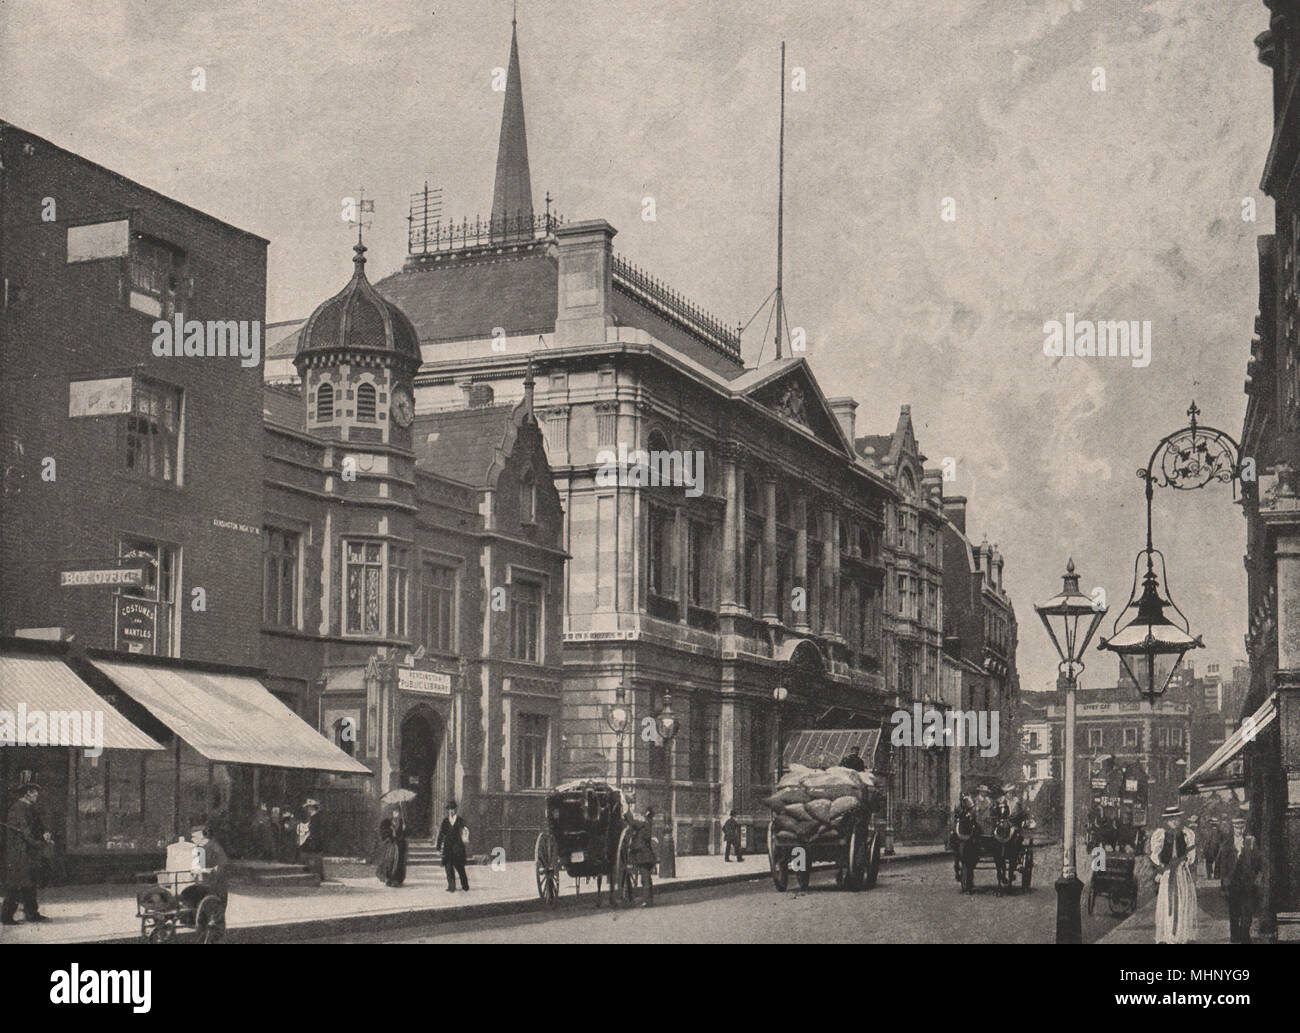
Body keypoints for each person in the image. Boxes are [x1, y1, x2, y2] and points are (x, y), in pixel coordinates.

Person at [2, 780, 51, 924]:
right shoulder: (19, 808)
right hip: (19, 853)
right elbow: (26, 832)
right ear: (27, 793)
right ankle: (6, 917)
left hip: (27, 852)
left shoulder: (29, 807)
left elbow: (39, 826)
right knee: (16, 885)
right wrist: (41, 844)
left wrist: (45, 833)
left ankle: (32, 914)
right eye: (34, 791)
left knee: (29, 883)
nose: (37, 794)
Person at [1149, 805, 1198, 944]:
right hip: (1168, 873)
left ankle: (1181, 935)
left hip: (1181, 872)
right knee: (1167, 901)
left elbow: (1191, 853)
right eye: (1171, 819)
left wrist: (1187, 861)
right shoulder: (1161, 833)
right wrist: (1160, 867)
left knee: (1183, 900)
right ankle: (1169, 934)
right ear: (1167, 820)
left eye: (1176, 819)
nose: (1174, 822)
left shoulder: (1186, 833)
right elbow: (1155, 854)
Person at [182, 823, 229, 940]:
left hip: (215, 884)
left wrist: (208, 871)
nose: (192, 840)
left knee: (212, 908)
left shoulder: (215, 848)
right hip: (204, 882)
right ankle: (190, 917)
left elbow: (221, 866)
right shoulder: (200, 849)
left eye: (195, 837)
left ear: (203, 837)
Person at [1220, 821, 1259, 944]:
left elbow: (1257, 861)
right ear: (1233, 828)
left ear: (1245, 827)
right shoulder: (1227, 844)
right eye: (1237, 828)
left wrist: (1255, 876)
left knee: (1247, 913)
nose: (1239, 830)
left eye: (1242, 827)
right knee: (1234, 913)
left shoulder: (1250, 842)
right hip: (1232, 884)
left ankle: (1245, 937)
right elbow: (1223, 865)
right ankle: (1234, 938)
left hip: (1247, 884)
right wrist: (1224, 882)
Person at [626, 805, 657, 907]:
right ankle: (649, 899)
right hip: (647, 854)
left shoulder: (644, 824)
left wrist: (626, 813)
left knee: (645, 878)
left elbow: (633, 823)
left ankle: (647, 901)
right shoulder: (648, 823)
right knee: (647, 878)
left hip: (643, 855)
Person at [435, 800, 469, 892]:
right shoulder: (445, 821)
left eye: (453, 809)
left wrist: (465, 838)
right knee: (448, 868)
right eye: (449, 809)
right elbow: (441, 834)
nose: (451, 811)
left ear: (456, 810)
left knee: (460, 867)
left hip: (458, 847)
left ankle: (465, 885)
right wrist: (438, 847)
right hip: (448, 847)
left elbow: (465, 831)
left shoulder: (460, 820)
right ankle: (451, 886)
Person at [376, 807, 409, 887]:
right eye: (395, 812)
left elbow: (405, 835)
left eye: (398, 812)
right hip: (390, 845)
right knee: (388, 861)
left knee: (398, 862)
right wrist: (389, 836)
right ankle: (387, 878)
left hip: (399, 845)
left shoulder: (402, 822)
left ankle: (396, 879)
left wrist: (404, 829)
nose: (396, 814)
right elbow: (384, 833)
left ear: (400, 814)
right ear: (392, 813)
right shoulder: (388, 822)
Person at [298, 799, 326, 881]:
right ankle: (317, 874)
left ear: (312, 808)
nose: (307, 810)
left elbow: (315, 831)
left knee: (313, 857)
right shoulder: (314, 817)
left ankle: (316, 875)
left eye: (308, 808)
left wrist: (309, 838)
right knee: (315, 858)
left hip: (315, 841)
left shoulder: (316, 818)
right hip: (315, 840)